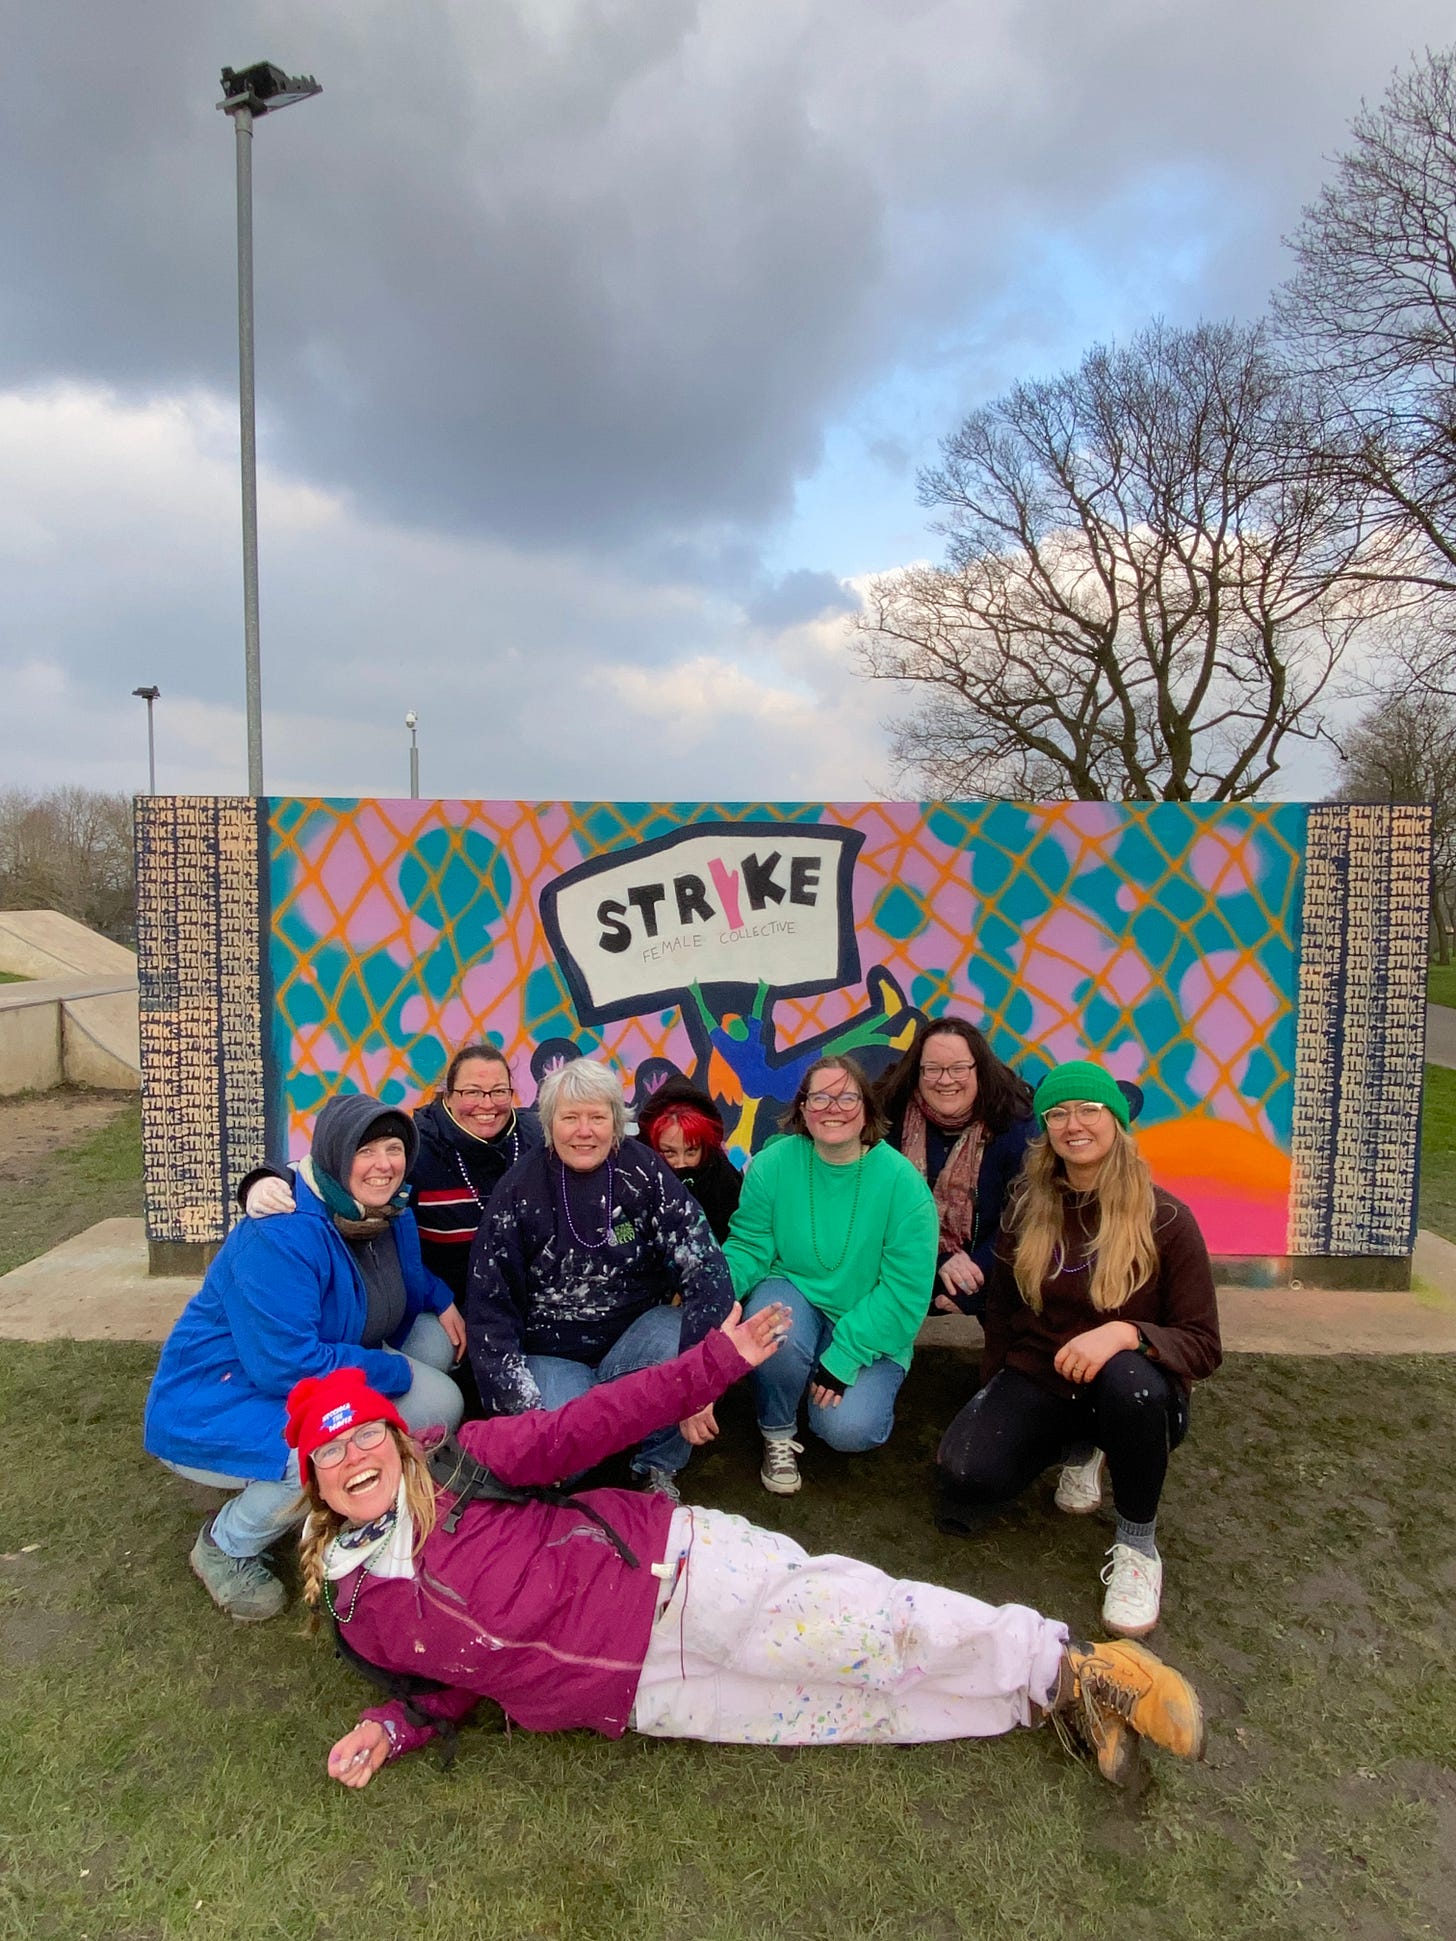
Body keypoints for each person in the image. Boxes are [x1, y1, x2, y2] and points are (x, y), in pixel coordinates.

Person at [288, 1341, 1206, 1792]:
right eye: (331, 1453)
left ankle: (1079, 1665)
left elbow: (594, 1420)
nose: (354, 1459)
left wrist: (714, 1362)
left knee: (871, 1629)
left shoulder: (464, 1464)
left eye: (365, 1436)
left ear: (396, 1440)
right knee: (850, 1709)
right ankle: (1048, 1702)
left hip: (674, 1577)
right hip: (641, 1693)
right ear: (315, 1482)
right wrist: (393, 1726)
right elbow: (452, 1678)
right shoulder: (355, 1602)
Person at [143, 1093, 466, 1622]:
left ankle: (366, 1494)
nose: (384, 1164)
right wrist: (391, 1371)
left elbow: (397, 1277)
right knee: (320, 1452)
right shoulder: (281, 1230)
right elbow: (285, 1364)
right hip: (221, 1396)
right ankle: (226, 1544)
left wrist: (440, 1297)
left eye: (393, 1148)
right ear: (336, 1154)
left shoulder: (381, 1210)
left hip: (318, 1362)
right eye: (366, 1150)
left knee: (434, 1344)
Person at [935, 1061, 1222, 1637]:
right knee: (965, 1476)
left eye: (1090, 1110)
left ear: (1116, 1121)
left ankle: (1138, 1546)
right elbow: (1002, 1315)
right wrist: (993, 1394)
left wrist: (1126, 1333)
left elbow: (1203, 1343)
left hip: (1133, 1391)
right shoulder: (1027, 1207)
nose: (1075, 1124)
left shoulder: (1167, 1219)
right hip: (1043, 1377)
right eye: (1059, 1113)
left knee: (1128, 1384)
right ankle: (1081, 1448)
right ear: (1046, 1129)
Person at [466, 1058, 735, 1500]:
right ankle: (602, 1430)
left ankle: (656, 1465)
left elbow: (705, 1266)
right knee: (554, 1462)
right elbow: (489, 1311)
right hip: (552, 1356)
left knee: (682, 1340)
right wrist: (523, 1413)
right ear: (549, 1124)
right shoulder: (518, 1191)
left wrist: (699, 1380)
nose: (584, 1131)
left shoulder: (645, 1172)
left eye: (597, 1117)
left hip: (634, 1340)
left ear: (616, 1121)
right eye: (570, 1117)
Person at [721, 1053, 940, 1497]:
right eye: (819, 1098)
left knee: (848, 1430)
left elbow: (905, 1292)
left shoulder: (903, 1184)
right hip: (794, 1295)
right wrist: (714, 1293)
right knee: (773, 1321)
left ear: (867, 1109)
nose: (832, 1108)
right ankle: (777, 1429)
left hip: (867, 1321)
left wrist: (843, 1357)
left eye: (846, 1097)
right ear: (803, 1109)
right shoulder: (773, 1164)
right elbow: (749, 1245)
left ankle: (819, 1373)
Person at [242, 1044, 543, 1302]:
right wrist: (267, 1179)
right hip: (442, 1301)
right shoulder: (418, 1146)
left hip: (518, 1300)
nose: (487, 1104)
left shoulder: (536, 1138)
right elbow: (329, 1169)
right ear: (447, 1096)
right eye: (472, 1092)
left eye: (499, 1091)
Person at [876, 1015, 1036, 1317]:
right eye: (933, 1069)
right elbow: (876, 1215)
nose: (945, 1080)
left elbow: (1025, 1219)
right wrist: (939, 1261)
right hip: (903, 1268)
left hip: (989, 1271)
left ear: (979, 1069)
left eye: (959, 1068)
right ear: (917, 1071)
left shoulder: (1013, 1125)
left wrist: (974, 1276)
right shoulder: (889, 1120)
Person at [635, 1073, 743, 1243]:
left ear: (704, 1148)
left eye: (691, 1152)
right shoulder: (631, 1174)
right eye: (669, 1153)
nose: (681, 1163)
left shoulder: (723, 1179)